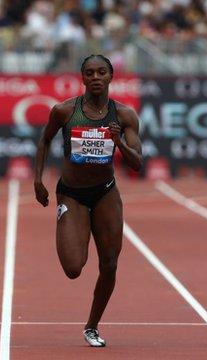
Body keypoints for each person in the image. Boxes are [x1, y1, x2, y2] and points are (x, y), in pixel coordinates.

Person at [34, 54, 142, 347]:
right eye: (90, 73)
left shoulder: (124, 116)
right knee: (73, 268)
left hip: (106, 191)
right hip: (72, 192)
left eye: (102, 72)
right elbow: (44, 140)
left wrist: (118, 142)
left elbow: (137, 163)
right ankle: (71, 225)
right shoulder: (64, 111)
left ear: (111, 77)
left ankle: (92, 326)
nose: (96, 77)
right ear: (82, 78)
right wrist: (38, 180)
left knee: (109, 264)